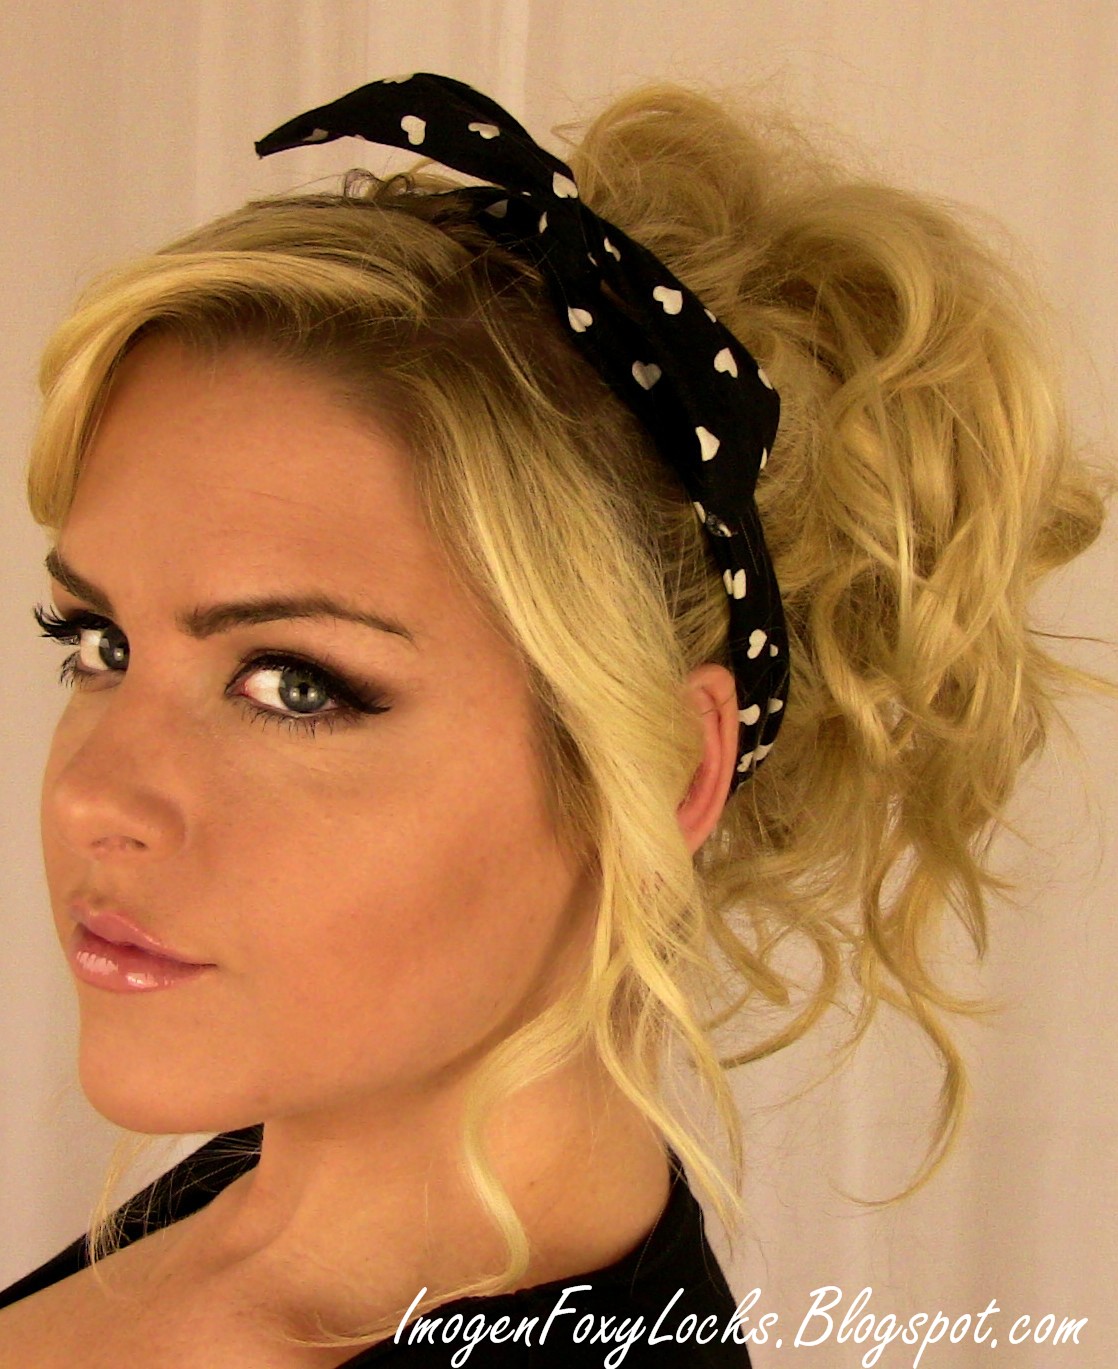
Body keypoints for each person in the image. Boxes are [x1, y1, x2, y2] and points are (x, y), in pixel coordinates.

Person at [0, 71, 1108, 1367]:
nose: (92, 795)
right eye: (100, 643)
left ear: (659, 767)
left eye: (295, 685)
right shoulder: (246, 1197)